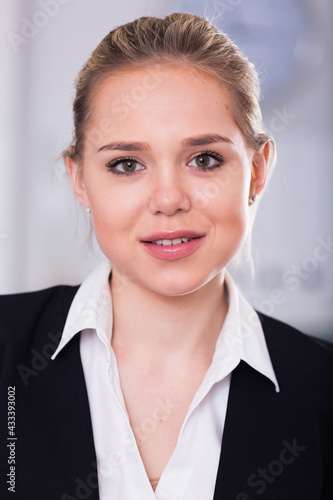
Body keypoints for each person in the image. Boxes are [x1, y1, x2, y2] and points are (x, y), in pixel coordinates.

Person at [0, 12, 332, 500]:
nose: (169, 198)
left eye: (204, 159)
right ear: (79, 179)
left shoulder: (322, 387)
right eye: (126, 164)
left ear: (258, 172)